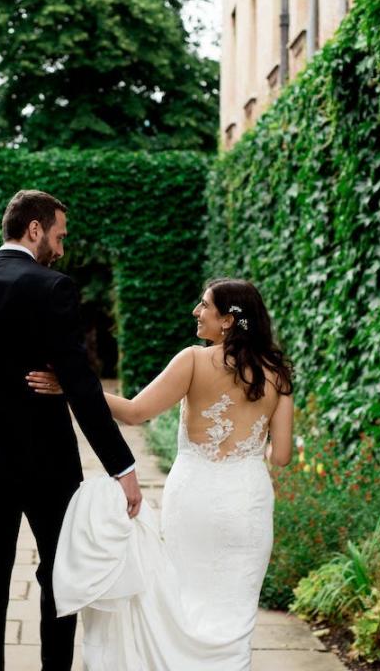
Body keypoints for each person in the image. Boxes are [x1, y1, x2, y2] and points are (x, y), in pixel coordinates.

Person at [27, 278, 294, 670]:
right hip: (247, 503)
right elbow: (282, 456)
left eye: (204, 305)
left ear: (228, 321)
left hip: (194, 499)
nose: (196, 312)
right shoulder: (279, 373)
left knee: (183, 598)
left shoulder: (193, 360)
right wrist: (254, 445)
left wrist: (74, 389)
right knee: (235, 609)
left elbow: (136, 412)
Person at [0, 189, 143, 671]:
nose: (61, 249)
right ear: (34, 229)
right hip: (45, 467)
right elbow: (84, 387)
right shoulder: (52, 288)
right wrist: (121, 466)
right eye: (59, 236)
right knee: (58, 579)